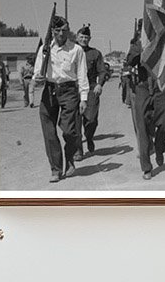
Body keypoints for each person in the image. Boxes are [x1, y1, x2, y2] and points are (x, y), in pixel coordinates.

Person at [33, 16, 89, 182]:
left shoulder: (76, 50)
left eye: (64, 30)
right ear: (52, 31)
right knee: (49, 132)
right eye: (57, 30)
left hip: (69, 91)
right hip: (49, 91)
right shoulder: (45, 49)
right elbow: (37, 72)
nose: (61, 34)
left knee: (69, 131)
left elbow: (82, 74)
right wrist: (38, 78)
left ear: (68, 31)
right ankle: (56, 169)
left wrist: (84, 98)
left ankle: (70, 158)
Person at [125, 27, 165, 180]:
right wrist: (143, 51)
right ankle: (146, 167)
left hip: (162, 85)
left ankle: (160, 146)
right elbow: (130, 61)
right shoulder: (138, 44)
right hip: (142, 87)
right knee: (142, 127)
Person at [75, 24, 111, 159]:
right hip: (74, 89)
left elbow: (102, 71)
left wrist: (99, 84)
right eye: (82, 36)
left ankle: (89, 137)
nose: (84, 39)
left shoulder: (95, 53)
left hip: (90, 88)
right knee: (76, 121)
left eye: (86, 37)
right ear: (77, 37)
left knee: (91, 119)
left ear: (90, 38)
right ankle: (78, 150)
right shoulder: (71, 51)